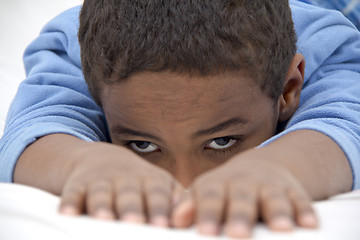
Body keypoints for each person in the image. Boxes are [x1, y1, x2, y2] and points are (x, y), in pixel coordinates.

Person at [0, 0, 360, 238]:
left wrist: (280, 167)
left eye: (222, 142)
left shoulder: (331, 46)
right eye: (143, 145)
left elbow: (346, 119)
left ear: (288, 88)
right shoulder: (83, 51)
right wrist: (81, 161)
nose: (185, 187)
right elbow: (38, 123)